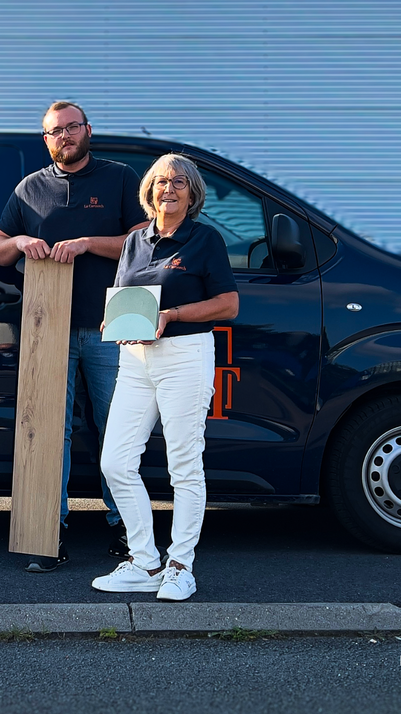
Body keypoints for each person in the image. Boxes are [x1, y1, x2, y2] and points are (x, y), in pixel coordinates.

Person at [0, 101, 148, 572]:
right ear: (46, 139)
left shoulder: (119, 178)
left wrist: (88, 244)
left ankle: (127, 531)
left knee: (119, 430)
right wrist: (18, 242)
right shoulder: (30, 189)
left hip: (114, 325)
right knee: (48, 434)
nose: (64, 137)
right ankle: (45, 531)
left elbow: (147, 239)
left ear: (87, 130)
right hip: (47, 327)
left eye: (72, 128)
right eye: (55, 132)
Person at [91, 153, 237, 602]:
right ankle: (144, 561)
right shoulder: (136, 241)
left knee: (184, 465)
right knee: (114, 461)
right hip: (136, 361)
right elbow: (126, 297)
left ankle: (180, 566)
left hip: (185, 356)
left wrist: (170, 314)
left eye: (177, 183)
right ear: (148, 191)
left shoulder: (205, 239)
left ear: (192, 193)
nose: (167, 189)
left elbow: (228, 304)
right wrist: (115, 322)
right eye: (159, 182)